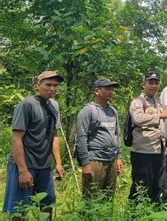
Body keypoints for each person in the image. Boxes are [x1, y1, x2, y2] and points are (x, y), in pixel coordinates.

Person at [3, 71, 64, 219]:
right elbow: (16, 139)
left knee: (47, 204)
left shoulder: (54, 105)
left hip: (44, 165)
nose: (52, 89)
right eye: (48, 85)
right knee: (19, 207)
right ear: (38, 85)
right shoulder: (27, 105)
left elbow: (54, 135)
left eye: (55, 85)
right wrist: (23, 171)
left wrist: (58, 162)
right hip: (25, 163)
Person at [128, 72, 167, 203]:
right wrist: (160, 116)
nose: (153, 86)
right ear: (144, 84)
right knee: (141, 185)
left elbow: (161, 127)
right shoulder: (138, 102)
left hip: (158, 150)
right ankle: (135, 214)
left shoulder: (158, 103)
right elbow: (138, 119)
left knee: (157, 185)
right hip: (143, 151)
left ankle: (153, 213)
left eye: (156, 83)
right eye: (150, 82)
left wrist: (164, 145)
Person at [76, 78, 123, 199]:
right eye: (107, 89)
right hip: (95, 160)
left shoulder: (113, 111)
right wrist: (85, 163)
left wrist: (119, 157)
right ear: (97, 91)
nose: (111, 91)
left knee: (108, 198)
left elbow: (117, 135)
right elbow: (81, 138)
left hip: (112, 160)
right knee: (91, 198)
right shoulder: (88, 111)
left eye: (112, 89)